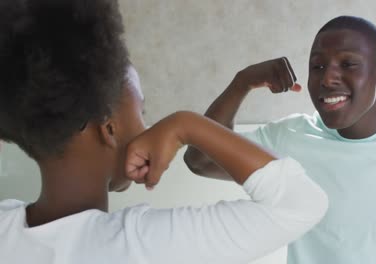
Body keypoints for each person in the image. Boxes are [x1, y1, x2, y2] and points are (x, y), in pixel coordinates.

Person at [0, 1, 329, 263]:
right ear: (109, 126)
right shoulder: (138, 245)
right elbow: (301, 204)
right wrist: (184, 124)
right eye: (141, 112)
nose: (148, 126)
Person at [184, 15, 376, 263]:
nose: (328, 78)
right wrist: (241, 82)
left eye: (348, 64)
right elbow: (200, 160)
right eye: (317, 66)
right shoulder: (290, 138)